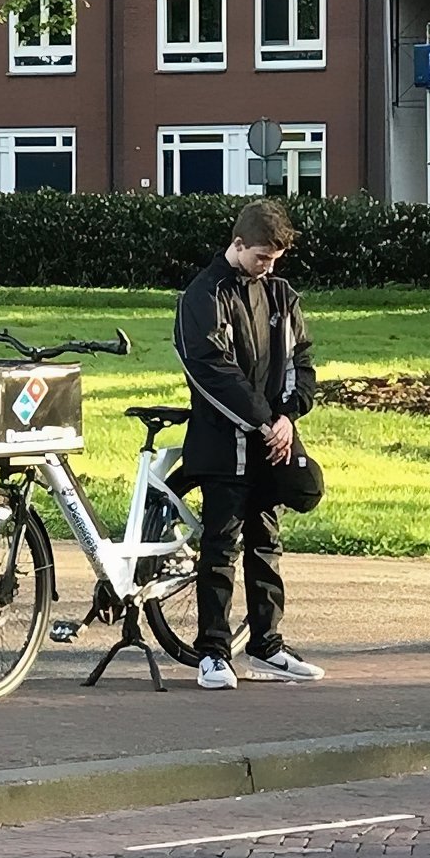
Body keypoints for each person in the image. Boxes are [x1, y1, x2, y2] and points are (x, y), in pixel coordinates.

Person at [173, 198, 325, 690]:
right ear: (238, 245)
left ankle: (267, 646)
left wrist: (287, 417)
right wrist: (264, 421)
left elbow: (302, 361)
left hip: (272, 442)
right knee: (220, 546)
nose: (268, 266)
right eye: (262, 257)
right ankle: (213, 653)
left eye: (275, 260)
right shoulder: (204, 295)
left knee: (267, 543)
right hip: (222, 447)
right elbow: (211, 369)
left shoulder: (282, 296)